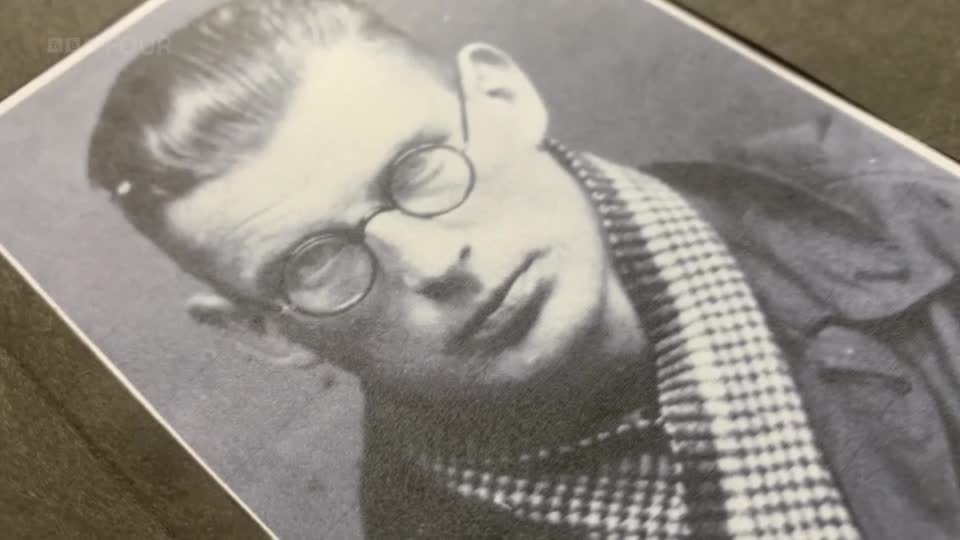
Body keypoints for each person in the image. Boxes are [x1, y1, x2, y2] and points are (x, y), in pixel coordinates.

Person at [86, 0, 960, 538]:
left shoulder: (925, 206)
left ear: (503, 101)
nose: (436, 264)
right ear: (264, 333)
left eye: (419, 168)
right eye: (316, 262)